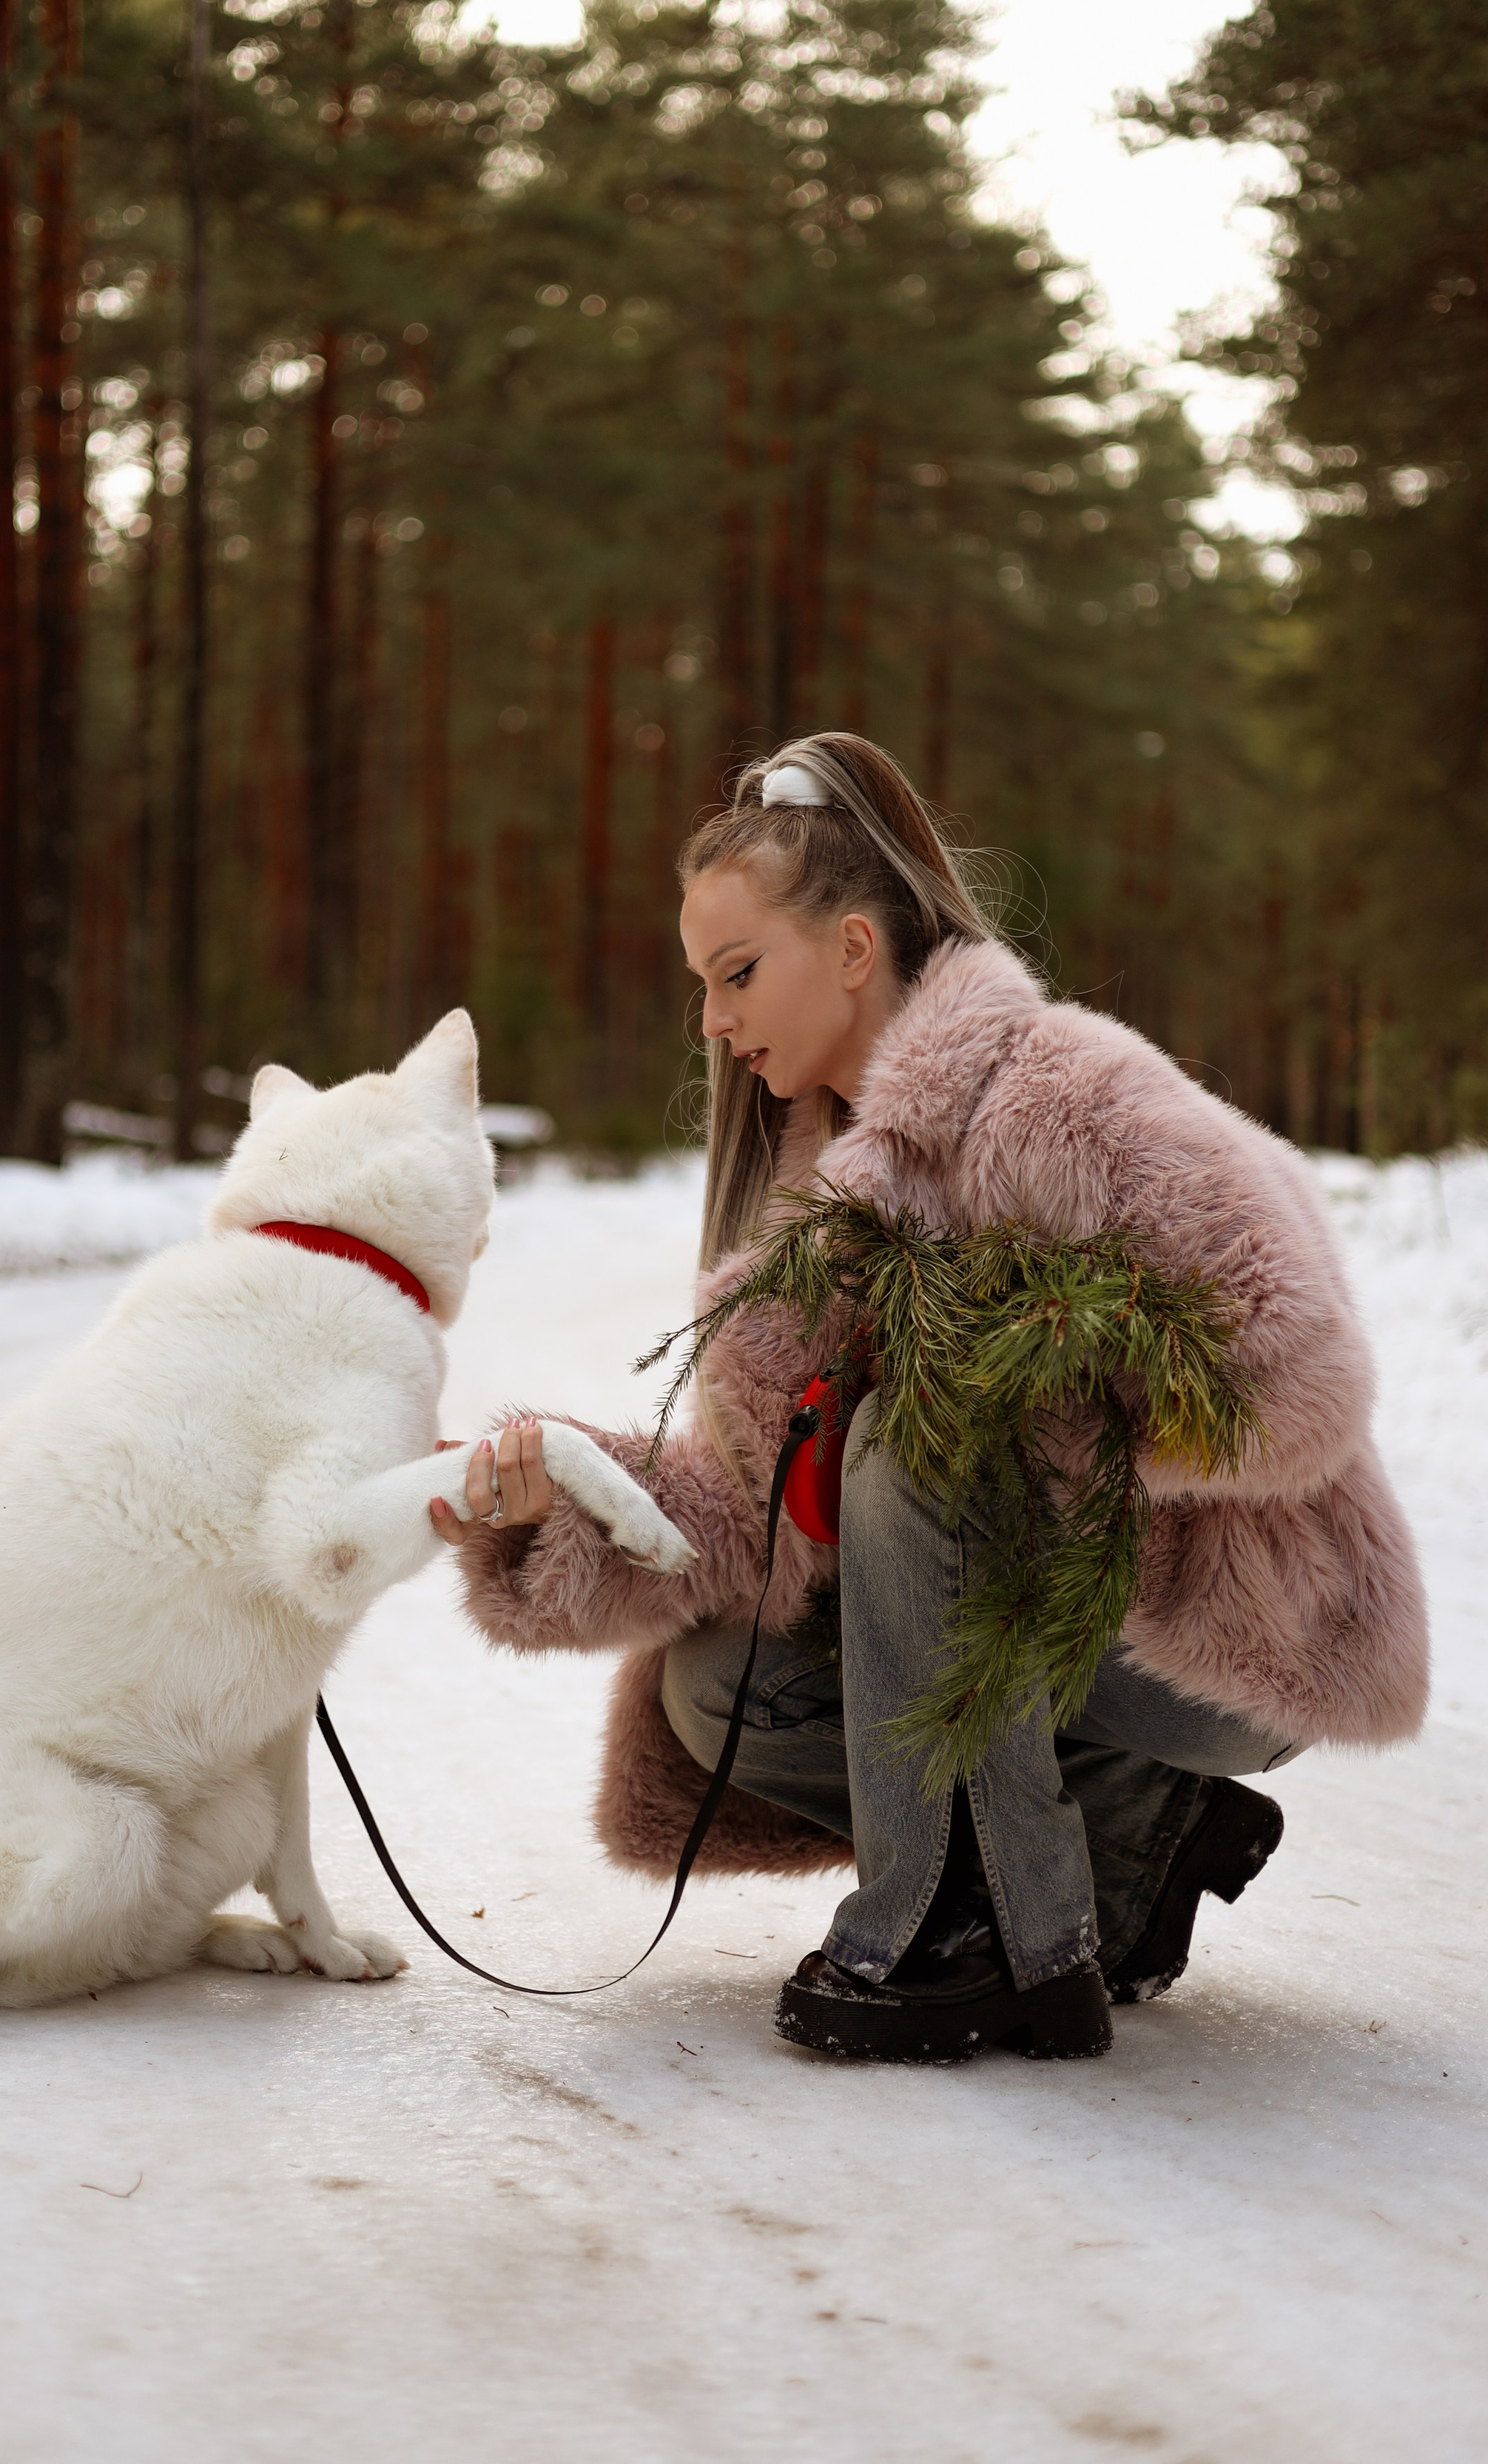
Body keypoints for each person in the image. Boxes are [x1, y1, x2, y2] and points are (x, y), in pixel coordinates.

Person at [431, 732, 1428, 2063]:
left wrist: (1025, 1383)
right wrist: (562, 1484)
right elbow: (750, 1512)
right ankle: (1130, 1833)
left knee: (926, 1439)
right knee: (719, 1694)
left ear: (852, 948)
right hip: (1008, 1634)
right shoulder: (819, 1190)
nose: (714, 1023)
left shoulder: (1061, 1090)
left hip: (1215, 1627)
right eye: (702, 988)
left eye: (738, 974)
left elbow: (1301, 1363)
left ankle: (987, 1931)